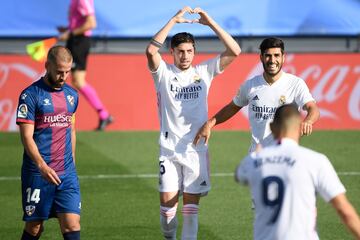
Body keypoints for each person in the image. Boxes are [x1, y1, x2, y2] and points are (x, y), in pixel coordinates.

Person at [145, 6, 241, 240]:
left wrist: (211, 24)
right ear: (172, 52)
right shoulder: (163, 74)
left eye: (189, 51)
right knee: (168, 211)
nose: (185, 56)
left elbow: (235, 50)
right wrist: (173, 20)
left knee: (190, 210)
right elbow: (150, 51)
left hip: (196, 150)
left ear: (194, 52)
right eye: (180, 51)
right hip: (168, 151)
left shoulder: (203, 71)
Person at [235, 104, 360, 239]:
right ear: (300, 128)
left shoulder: (254, 160)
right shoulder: (316, 160)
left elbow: (239, 175)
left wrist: (256, 155)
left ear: (272, 127)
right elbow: (344, 210)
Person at [194, 37, 320, 152]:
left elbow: (312, 108)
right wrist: (210, 123)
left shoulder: (295, 83)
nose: (272, 60)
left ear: (283, 57)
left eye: (276, 55)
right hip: (258, 155)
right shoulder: (250, 85)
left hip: (286, 154)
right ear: (261, 57)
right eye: (268, 56)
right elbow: (232, 107)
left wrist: (308, 121)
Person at [16, 46, 81, 240]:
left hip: (66, 173)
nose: (64, 76)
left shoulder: (72, 95)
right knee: (35, 227)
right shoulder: (30, 95)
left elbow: (71, 129)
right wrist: (41, 166)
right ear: (47, 66)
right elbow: (26, 137)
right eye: (59, 71)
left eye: (68, 71)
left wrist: (73, 165)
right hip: (38, 173)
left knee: (72, 225)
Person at [58, 0, 113, 131]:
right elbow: (80, 21)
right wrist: (68, 29)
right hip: (75, 40)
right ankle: (103, 114)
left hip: (79, 42)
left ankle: (104, 114)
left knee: (78, 81)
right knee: (75, 81)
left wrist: (71, 33)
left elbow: (91, 23)